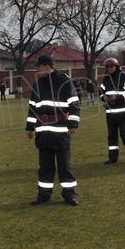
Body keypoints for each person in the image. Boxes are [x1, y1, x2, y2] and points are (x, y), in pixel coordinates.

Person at [25, 55, 81, 206]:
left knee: (65, 167)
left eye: (38, 66)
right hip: (43, 133)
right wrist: (29, 127)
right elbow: (32, 108)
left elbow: (74, 104)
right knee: (45, 167)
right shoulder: (37, 84)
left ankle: (69, 194)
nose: (37, 69)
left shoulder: (64, 81)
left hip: (61, 131)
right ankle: (44, 194)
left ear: (47, 66)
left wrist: (73, 124)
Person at [99, 57, 125, 165]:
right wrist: (104, 98)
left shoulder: (124, 77)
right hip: (110, 115)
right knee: (112, 137)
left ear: (116, 66)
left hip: (123, 114)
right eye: (108, 67)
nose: (110, 68)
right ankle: (113, 159)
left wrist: (118, 97)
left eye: (111, 66)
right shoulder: (105, 79)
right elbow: (100, 93)